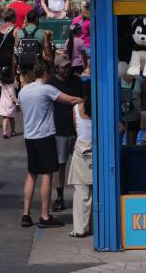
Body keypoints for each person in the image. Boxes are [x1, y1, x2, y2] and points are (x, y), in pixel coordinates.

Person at [18, 59, 83, 229]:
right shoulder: (47, 89)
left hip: (29, 136)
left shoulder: (24, 91)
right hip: (44, 136)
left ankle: (26, 214)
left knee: (32, 174)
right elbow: (69, 100)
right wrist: (85, 100)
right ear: (46, 73)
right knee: (47, 174)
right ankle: (45, 215)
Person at [49, 53, 83, 213]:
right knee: (60, 165)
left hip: (77, 131)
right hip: (59, 131)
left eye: (69, 66)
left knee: (80, 164)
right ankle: (60, 197)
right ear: (57, 69)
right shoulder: (51, 83)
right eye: (64, 67)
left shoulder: (77, 81)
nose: (68, 69)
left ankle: (81, 195)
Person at [68, 84, 93, 238]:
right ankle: (97, 225)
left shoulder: (76, 109)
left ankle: (80, 228)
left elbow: (76, 130)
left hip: (81, 152)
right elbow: (120, 128)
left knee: (81, 193)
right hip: (96, 152)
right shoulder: (101, 109)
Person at [119, 65, 143, 146]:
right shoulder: (117, 80)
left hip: (135, 116)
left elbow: (143, 97)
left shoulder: (139, 79)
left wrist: (143, 115)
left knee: (132, 144)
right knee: (117, 143)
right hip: (120, 116)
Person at [0, 9, 19, 76]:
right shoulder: (16, 29)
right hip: (11, 59)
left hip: (0, 58)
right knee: (12, 79)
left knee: (2, 78)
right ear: (12, 17)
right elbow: (17, 46)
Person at [0, 64, 19, 139]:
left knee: (5, 117)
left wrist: (0, 98)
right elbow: (17, 89)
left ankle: (4, 131)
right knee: (11, 118)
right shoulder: (13, 81)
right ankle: (13, 131)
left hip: (3, 102)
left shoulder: (1, 82)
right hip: (11, 102)